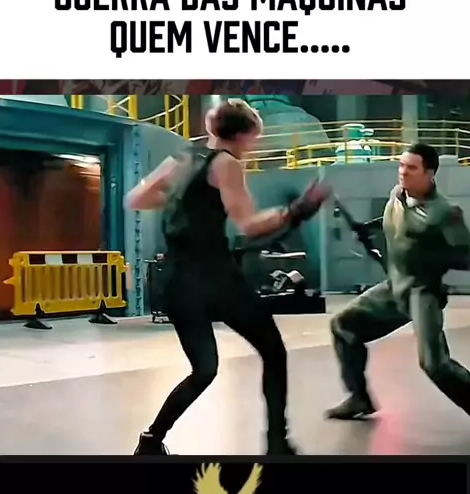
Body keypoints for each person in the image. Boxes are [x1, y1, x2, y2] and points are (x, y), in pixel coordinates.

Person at [126, 99, 330, 456]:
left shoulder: (182, 158)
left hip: (176, 280)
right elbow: (249, 225)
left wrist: (185, 201)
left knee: (204, 370)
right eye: (253, 138)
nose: (253, 146)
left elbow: (137, 198)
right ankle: (277, 443)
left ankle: (150, 441)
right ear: (242, 135)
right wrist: (297, 211)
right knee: (273, 351)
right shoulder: (227, 164)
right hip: (214, 277)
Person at [327, 143, 470, 420]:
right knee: (343, 325)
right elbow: (400, 222)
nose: (403, 172)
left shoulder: (444, 212)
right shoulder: (397, 195)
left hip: (422, 292)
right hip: (394, 287)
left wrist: (433, 257)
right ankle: (359, 398)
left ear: (429, 173)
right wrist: (368, 228)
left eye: (412, 168)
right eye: (401, 165)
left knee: (435, 365)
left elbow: (465, 255)